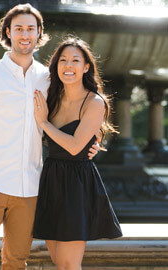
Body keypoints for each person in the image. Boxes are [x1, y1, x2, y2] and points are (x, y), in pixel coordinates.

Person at [0, 4, 99, 269]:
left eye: (31, 29)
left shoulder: (49, 80)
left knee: (17, 262)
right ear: (8, 33)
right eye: (19, 29)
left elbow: (75, 113)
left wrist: (93, 141)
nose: (25, 35)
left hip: (30, 188)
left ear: (39, 34)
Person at [32, 36, 123, 270]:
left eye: (75, 60)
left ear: (86, 67)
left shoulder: (94, 102)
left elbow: (74, 146)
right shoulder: (51, 95)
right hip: (51, 178)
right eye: (63, 60)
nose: (68, 66)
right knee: (57, 260)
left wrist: (44, 123)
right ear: (56, 66)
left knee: (69, 264)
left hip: (77, 184)